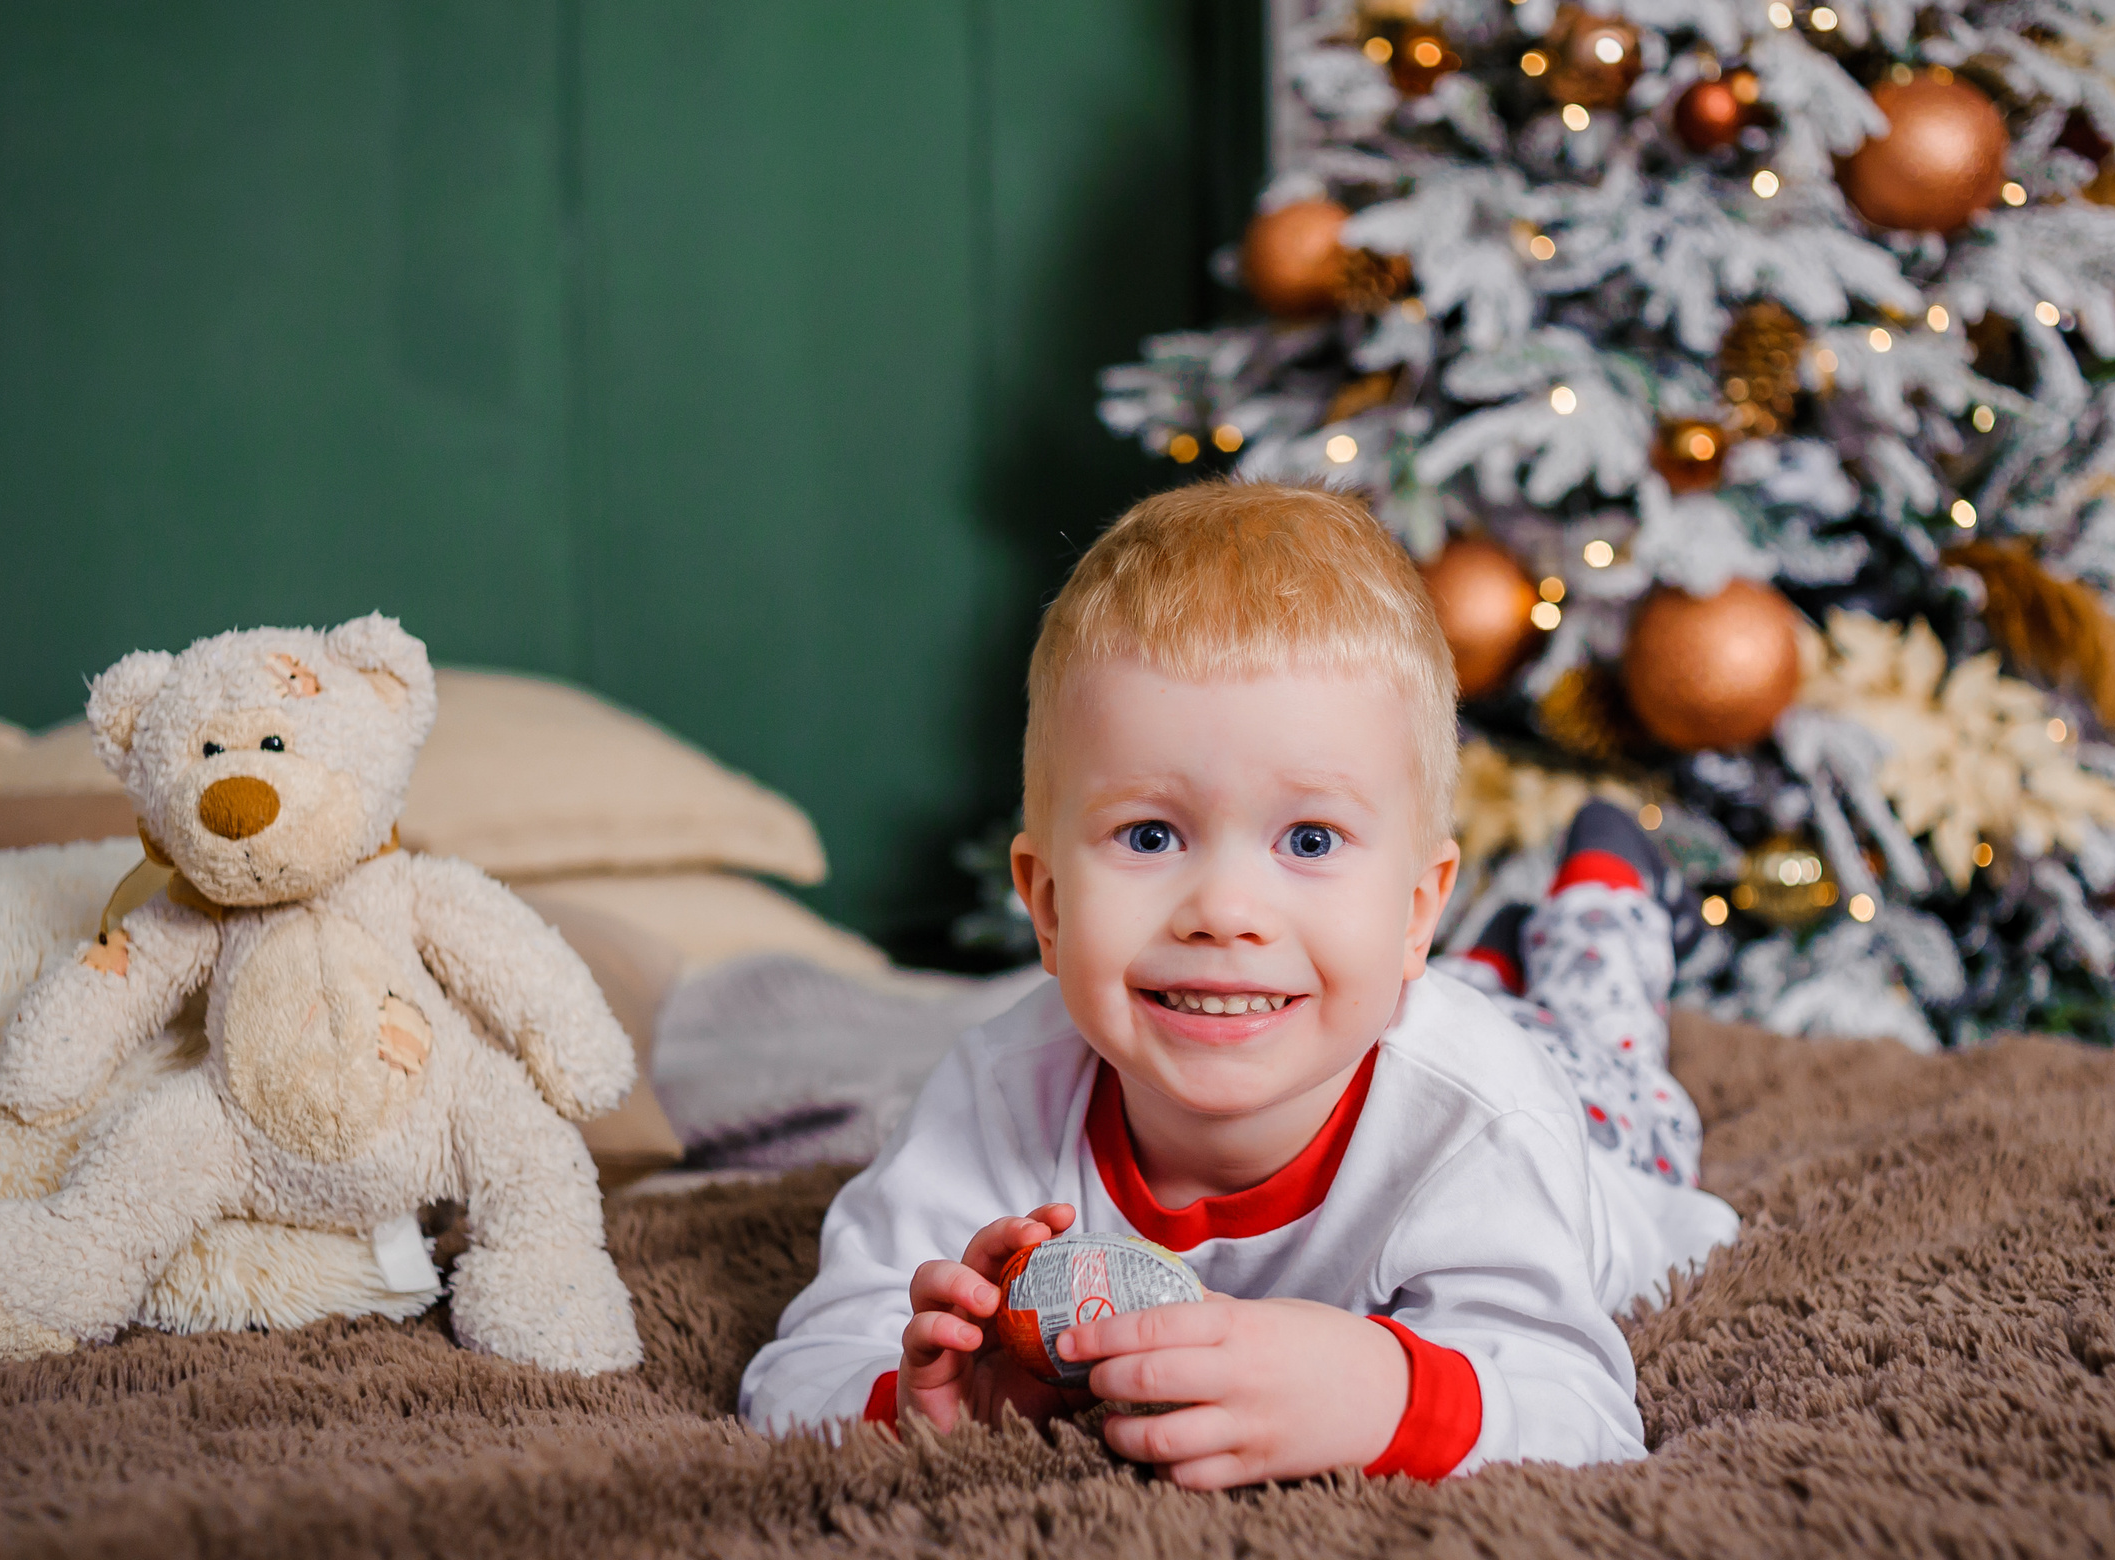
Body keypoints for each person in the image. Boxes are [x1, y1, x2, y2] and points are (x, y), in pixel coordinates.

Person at [739, 482, 1738, 1486]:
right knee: (1466, 995)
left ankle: (1605, 898)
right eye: (1150, 835)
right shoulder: (999, 1094)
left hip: (1593, 1124)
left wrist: (1383, 1392)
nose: (1223, 910)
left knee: (1600, 1034)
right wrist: (916, 1397)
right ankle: (1497, 955)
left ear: (1413, 909)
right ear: (1045, 906)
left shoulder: (1482, 1117)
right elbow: (801, 1367)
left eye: (1308, 839)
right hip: (1384, 1000)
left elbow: (1583, 1410)